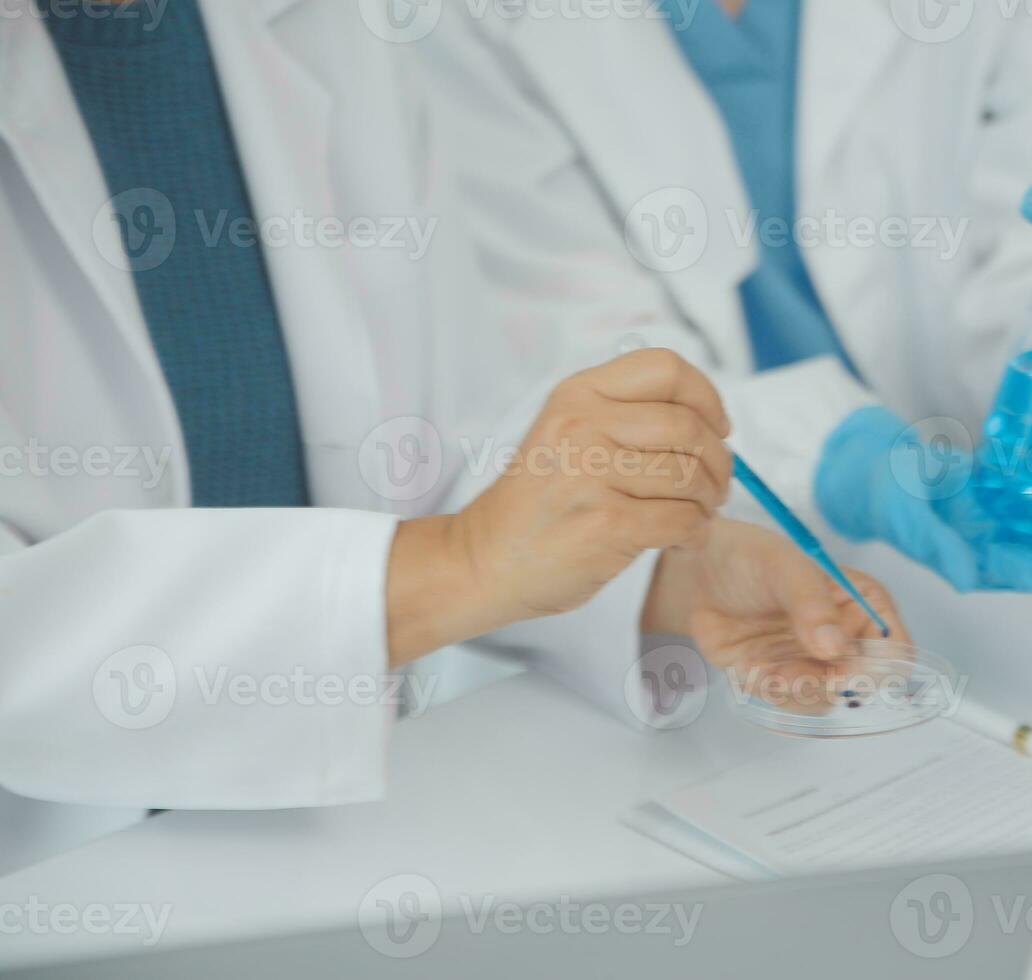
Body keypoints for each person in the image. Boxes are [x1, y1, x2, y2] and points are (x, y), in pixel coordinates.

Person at [0, 0, 905, 874]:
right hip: (52, 880)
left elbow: (439, 446)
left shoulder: (327, 24)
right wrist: (462, 562)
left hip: (326, 850)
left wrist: (663, 572)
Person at [421, 0, 1032, 622]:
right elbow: (575, 359)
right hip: (660, 600)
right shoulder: (452, 22)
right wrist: (841, 458)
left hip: (1006, 582)